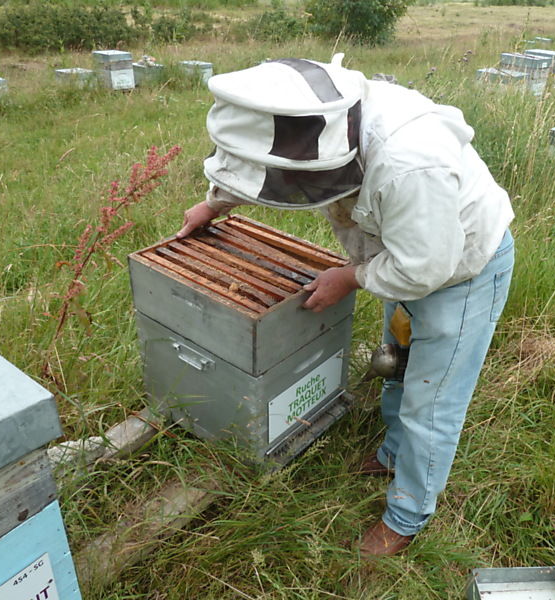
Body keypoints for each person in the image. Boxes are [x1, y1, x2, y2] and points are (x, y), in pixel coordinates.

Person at [176, 54, 515, 557]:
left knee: (432, 400)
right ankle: (392, 454)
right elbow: (264, 161)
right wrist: (214, 203)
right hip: (396, 254)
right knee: (397, 368)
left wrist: (350, 277)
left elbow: (426, 269)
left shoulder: (409, 163)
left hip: (459, 272)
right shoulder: (313, 120)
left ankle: (407, 515)